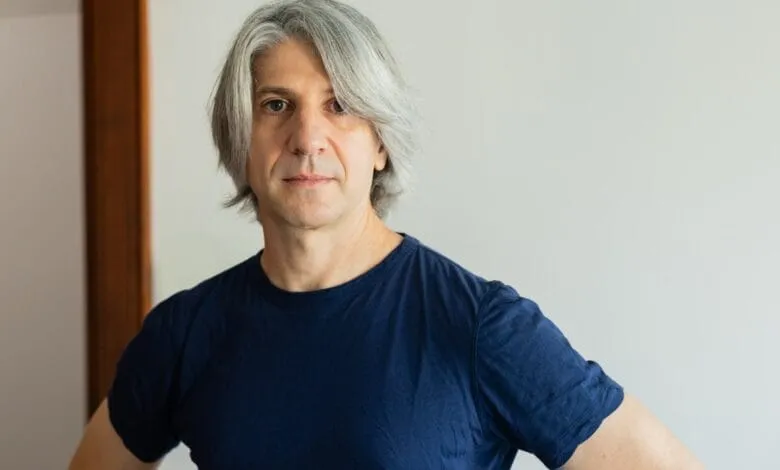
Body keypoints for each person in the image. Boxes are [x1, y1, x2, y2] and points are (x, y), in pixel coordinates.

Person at [69, 0, 705, 468]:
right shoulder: (184, 333)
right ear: (242, 143)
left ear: (379, 144)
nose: (307, 138)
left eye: (340, 105)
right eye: (276, 105)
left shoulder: (481, 326)